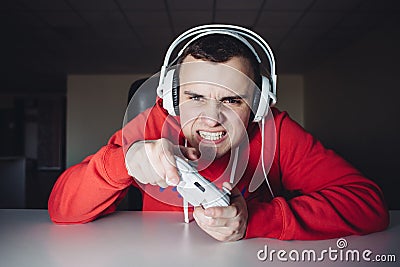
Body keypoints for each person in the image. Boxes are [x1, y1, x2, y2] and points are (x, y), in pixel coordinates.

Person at [48, 25, 389, 242]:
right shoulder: (152, 125)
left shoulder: (275, 129)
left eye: (231, 100)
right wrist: (123, 162)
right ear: (172, 97)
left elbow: (369, 204)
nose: (212, 119)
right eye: (196, 97)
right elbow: (61, 209)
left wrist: (257, 220)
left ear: (257, 107)